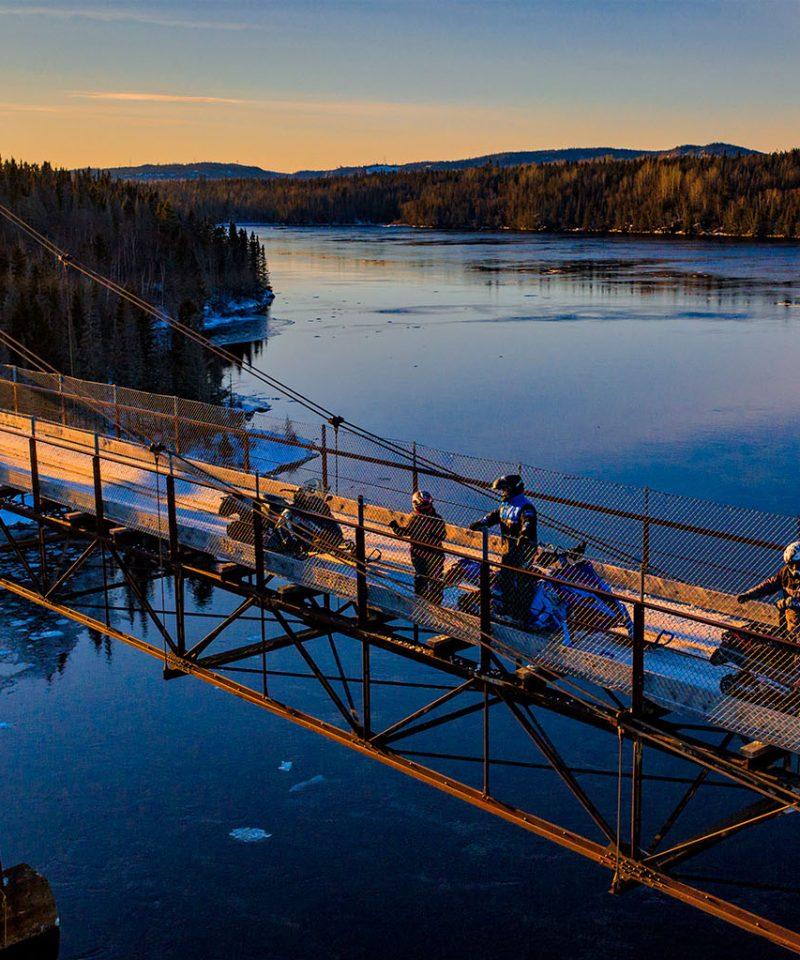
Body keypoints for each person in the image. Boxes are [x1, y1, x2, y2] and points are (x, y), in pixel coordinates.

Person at [468, 474, 538, 622]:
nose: (503, 492)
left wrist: (524, 534)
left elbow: (528, 522)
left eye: (505, 489)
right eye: (503, 490)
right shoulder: (506, 505)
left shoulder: (525, 507)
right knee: (506, 578)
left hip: (523, 551)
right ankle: (507, 609)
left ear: (514, 489)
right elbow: (494, 516)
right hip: (508, 549)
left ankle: (521, 614)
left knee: (520, 581)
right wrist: (480, 523)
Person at [389, 490, 446, 604]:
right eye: (425, 504)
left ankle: (436, 602)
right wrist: (395, 527)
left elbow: (442, 535)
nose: (428, 506)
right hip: (418, 553)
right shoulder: (415, 517)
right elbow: (407, 531)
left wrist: (432, 534)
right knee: (421, 576)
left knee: (436, 578)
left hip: (434, 553)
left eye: (429, 503)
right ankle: (420, 601)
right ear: (416, 504)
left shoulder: (436, 518)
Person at [737, 541, 800, 637]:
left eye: (798, 564)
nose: (795, 569)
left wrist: (786, 603)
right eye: (791, 564)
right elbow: (770, 585)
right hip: (791, 620)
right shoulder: (785, 573)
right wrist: (749, 594)